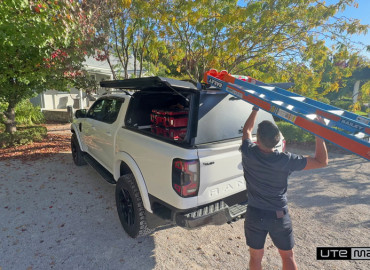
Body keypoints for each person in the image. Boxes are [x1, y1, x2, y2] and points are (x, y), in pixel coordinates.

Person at [241, 106, 328, 270]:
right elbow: (322, 161)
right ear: (277, 140)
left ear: (257, 140)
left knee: (255, 257)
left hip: (255, 214)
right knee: (287, 256)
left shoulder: (248, 152)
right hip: (279, 216)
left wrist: (254, 109)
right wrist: (319, 134)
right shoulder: (286, 160)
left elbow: (246, 131)